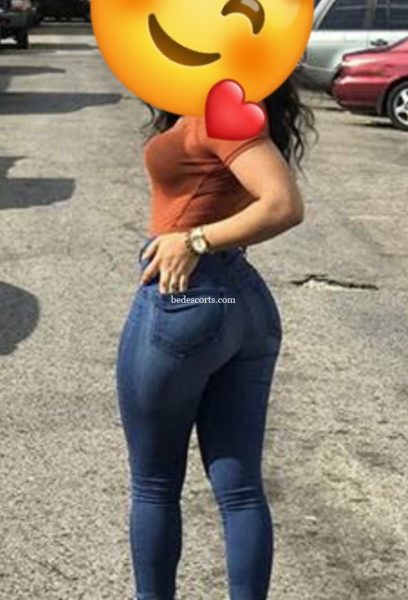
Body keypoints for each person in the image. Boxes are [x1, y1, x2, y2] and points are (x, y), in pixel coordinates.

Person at [115, 76, 316, 600]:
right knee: (242, 490)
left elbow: (282, 204)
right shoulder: (223, 103)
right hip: (239, 304)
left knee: (154, 485)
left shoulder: (218, 108)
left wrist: (194, 240)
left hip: (191, 300)